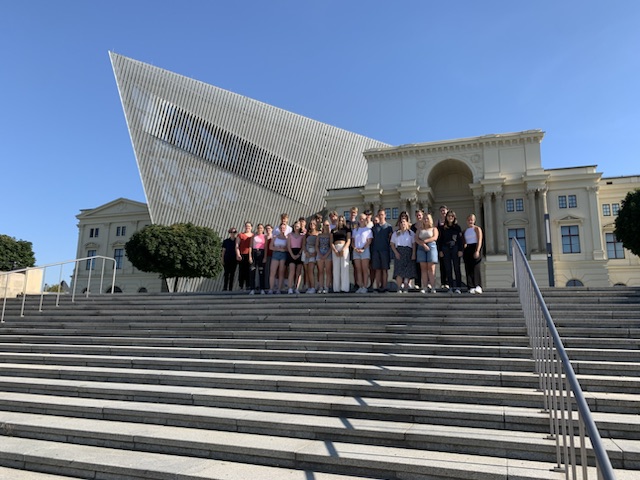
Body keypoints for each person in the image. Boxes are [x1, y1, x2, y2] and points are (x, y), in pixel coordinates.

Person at [438, 210, 464, 294]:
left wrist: (461, 250)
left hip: (455, 248)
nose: (450, 217)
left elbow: (460, 240)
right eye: (449, 216)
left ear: (454, 217)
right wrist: (440, 250)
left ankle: (458, 287)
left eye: (452, 216)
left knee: (457, 268)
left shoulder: (457, 227)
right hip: (445, 248)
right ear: (446, 217)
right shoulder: (442, 228)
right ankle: (450, 287)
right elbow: (440, 240)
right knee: (448, 268)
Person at [415, 213, 439, 293]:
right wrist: (422, 244)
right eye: (424, 218)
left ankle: (433, 287)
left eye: (427, 218)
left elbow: (435, 237)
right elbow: (416, 238)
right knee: (423, 269)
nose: (426, 220)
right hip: (421, 248)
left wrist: (425, 242)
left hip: (431, 247)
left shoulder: (434, 229)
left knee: (431, 269)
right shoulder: (420, 229)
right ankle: (424, 287)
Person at [391, 217, 416, 293]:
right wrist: (396, 252)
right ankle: (399, 287)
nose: (403, 224)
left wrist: (413, 253)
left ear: (407, 223)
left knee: (407, 271)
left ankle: (406, 287)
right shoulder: (396, 233)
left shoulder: (411, 233)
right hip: (399, 251)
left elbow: (414, 244)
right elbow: (392, 244)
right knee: (399, 271)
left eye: (404, 222)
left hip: (408, 251)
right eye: (401, 222)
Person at [371, 209, 393, 292]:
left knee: (385, 269)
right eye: (379, 214)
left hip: (385, 250)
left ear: (385, 215)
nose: (381, 216)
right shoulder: (374, 227)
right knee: (377, 269)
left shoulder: (389, 227)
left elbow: (391, 239)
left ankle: (384, 286)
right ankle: (378, 287)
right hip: (376, 250)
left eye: (382, 214)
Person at [352, 213, 373, 293]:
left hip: (365, 251)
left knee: (365, 269)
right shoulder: (355, 230)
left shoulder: (368, 230)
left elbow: (369, 241)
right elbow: (353, 241)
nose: (361, 220)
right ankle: (360, 286)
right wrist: (355, 248)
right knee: (358, 269)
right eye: (360, 218)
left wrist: (363, 248)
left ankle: (365, 286)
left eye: (363, 218)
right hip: (356, 251)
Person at [463, 214, 484, 294]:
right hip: (468, 248)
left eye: (471, 220)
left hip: (475, 247)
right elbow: (464, 241)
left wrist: (477, 250)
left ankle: (478, 286)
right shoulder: (465, 231)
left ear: (474, 220)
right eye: (468, 220)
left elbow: (480, 240)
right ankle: (470, 286)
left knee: (476, 267)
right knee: (468, 268)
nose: (470, 221)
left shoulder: (477, 229)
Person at [330, 215, 351, 293]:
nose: (341, 222)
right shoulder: (333, 230)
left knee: (344, 268)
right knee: (336, 268)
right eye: (339, 220)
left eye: (342, 220)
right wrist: (335, 250)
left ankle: (345, 288)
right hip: (335, 248)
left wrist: (344, 249)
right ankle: (336, 288)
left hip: (344, 247)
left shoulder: (347, 229)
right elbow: (331, 242)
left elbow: (348, 240)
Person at [268, 223, 288, 294]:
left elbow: (288, 248)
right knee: (273, 271)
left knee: (281, 272)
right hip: (275, 254)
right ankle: (271, 288)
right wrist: (277, 248)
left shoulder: (287, 238)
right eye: (281, 228)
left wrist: (284, 249)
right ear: (279, 229)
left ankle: (279, 289)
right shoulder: (275, 237)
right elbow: (270, 247)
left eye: (284, 228)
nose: (282, 229)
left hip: (283, 255)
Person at [286, 221, 304, 294]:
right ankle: (290, 287)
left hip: (299, 252)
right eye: (295, 226)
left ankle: (296, 288)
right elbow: (288, 246)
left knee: (298, 272)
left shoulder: (302, 235)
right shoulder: (290, 235)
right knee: (292, 271)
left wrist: (299, 254)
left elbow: (303, 246)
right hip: (291, 252)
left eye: (298, 226)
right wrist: (292, 255)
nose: (296, 227)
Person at [235, 222, 254, 292]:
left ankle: (248, 285)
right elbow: (237, 245)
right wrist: (238, 254)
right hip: (242, 255)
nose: (247, 227)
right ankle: (241, 285)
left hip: (250, 255)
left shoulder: (253, 235)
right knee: (242, 271)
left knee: (249, 271)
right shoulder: (240, 235)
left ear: (251, 227)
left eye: (249, 226)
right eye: (246, 226)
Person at [316, 220, 333, 294]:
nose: (326, 226)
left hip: (328, 253)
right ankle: (321, 286)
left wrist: (326, 254)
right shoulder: (319, 235)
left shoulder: (330, 235)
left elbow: (331, 245)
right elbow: (317, 245)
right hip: (320, 252)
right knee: (320, 271)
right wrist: (319, 254)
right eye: (325, 225)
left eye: (327, 225)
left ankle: (326, 286)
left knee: (328, 271)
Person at [303, 220, 319, 293]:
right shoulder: (307, 234)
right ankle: (309, 287)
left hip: (314, 252)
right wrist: (306, 252)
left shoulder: (318, 233)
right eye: (311, 223)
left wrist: (315, 252)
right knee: (307, 271)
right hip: (307, 252)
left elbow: (319, 244)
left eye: (313, 224)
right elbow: (303, 244)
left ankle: (313, 287)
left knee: (311, 270)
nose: (312, 225)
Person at [250, 224, 267, 294]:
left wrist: (265, 257)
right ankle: (252, 289)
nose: (260, 229)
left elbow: (265, 248)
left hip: (261, 253)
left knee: (261, 271)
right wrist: (250, 256)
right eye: (258, 228)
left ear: (263, 229)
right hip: (254, 252)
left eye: (261, 228)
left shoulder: (265, 237)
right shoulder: (253, 236)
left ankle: (262, 288)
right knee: (252, 271)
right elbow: (250, 246)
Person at [436, 205, 449, 289]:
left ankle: (448, 282)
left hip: (449, 246)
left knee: (448, 265)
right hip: (441, 245)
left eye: (444, 210)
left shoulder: (451, 221)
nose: (443, 212)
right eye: (441, 211)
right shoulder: (438, 222)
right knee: (442, 265)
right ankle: (443, 282)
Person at [263, 224, 274, 290]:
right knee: (267, 271)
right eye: (267, 229)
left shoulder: (274, 237)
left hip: (274, 256)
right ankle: (267, 286)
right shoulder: (264, 237)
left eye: (269, 228)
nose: (268, 230)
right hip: (267, 256)